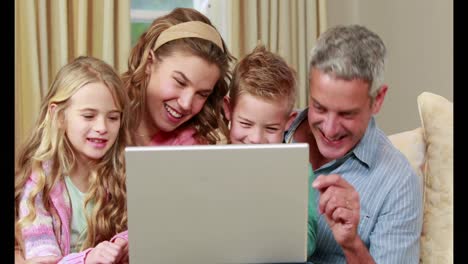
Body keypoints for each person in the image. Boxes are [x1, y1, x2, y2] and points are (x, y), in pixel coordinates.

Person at [284, 25, 423, 263]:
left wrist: (351, 244)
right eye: (319, 107)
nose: (329, 128)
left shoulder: (398, 184)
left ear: (377, 99)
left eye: (346, 114)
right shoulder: (267, 132)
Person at [14, 56, 130, 264]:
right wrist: (88, 259)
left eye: (113, 117)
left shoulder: (123, 174)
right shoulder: (39, 183)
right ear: (58, 116)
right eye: (88, 116)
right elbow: (42, 261)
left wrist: (122, 243)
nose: (102, 127)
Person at [222, 44, 318, 258]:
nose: (256, 139)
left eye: (271, 128)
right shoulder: (211, 158)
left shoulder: (298, 168)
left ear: (288, 122)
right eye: (245, 124)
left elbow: (309, 238)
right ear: (228, 110)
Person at [122, 7, 235, 146]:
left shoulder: (192, 146)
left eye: (202, 94)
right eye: (180, 82)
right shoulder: (102, 119)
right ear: (149, 63)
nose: (186, 104)